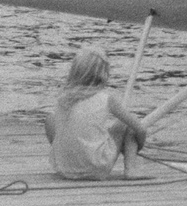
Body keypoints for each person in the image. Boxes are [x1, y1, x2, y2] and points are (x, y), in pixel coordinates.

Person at [44, 48, 148, 180]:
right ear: (103, 74)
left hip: (64, 169)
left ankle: (68, 159)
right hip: (96, 167)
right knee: (127, 126)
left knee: (50, 119)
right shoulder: (106, 98)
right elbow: (141, 129)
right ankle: (131, 169)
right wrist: (134, 147)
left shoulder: (62, 98)